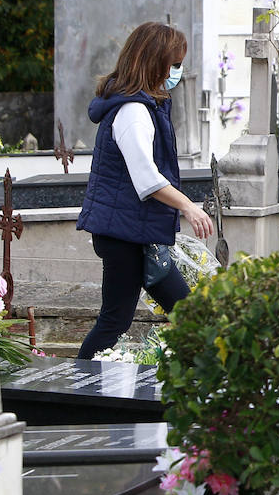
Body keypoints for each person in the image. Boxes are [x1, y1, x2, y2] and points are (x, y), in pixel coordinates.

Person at [75, 22, 214, 358]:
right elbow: (147, 179)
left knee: (188, 315)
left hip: (133, 231)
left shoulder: (143, 105)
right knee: (115, 320)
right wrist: (189, 207)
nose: (179, 71)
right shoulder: (133, 111)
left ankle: (207, 384)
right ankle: (76, 394)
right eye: (175, 64)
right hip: (124, 234)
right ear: (155, 63)